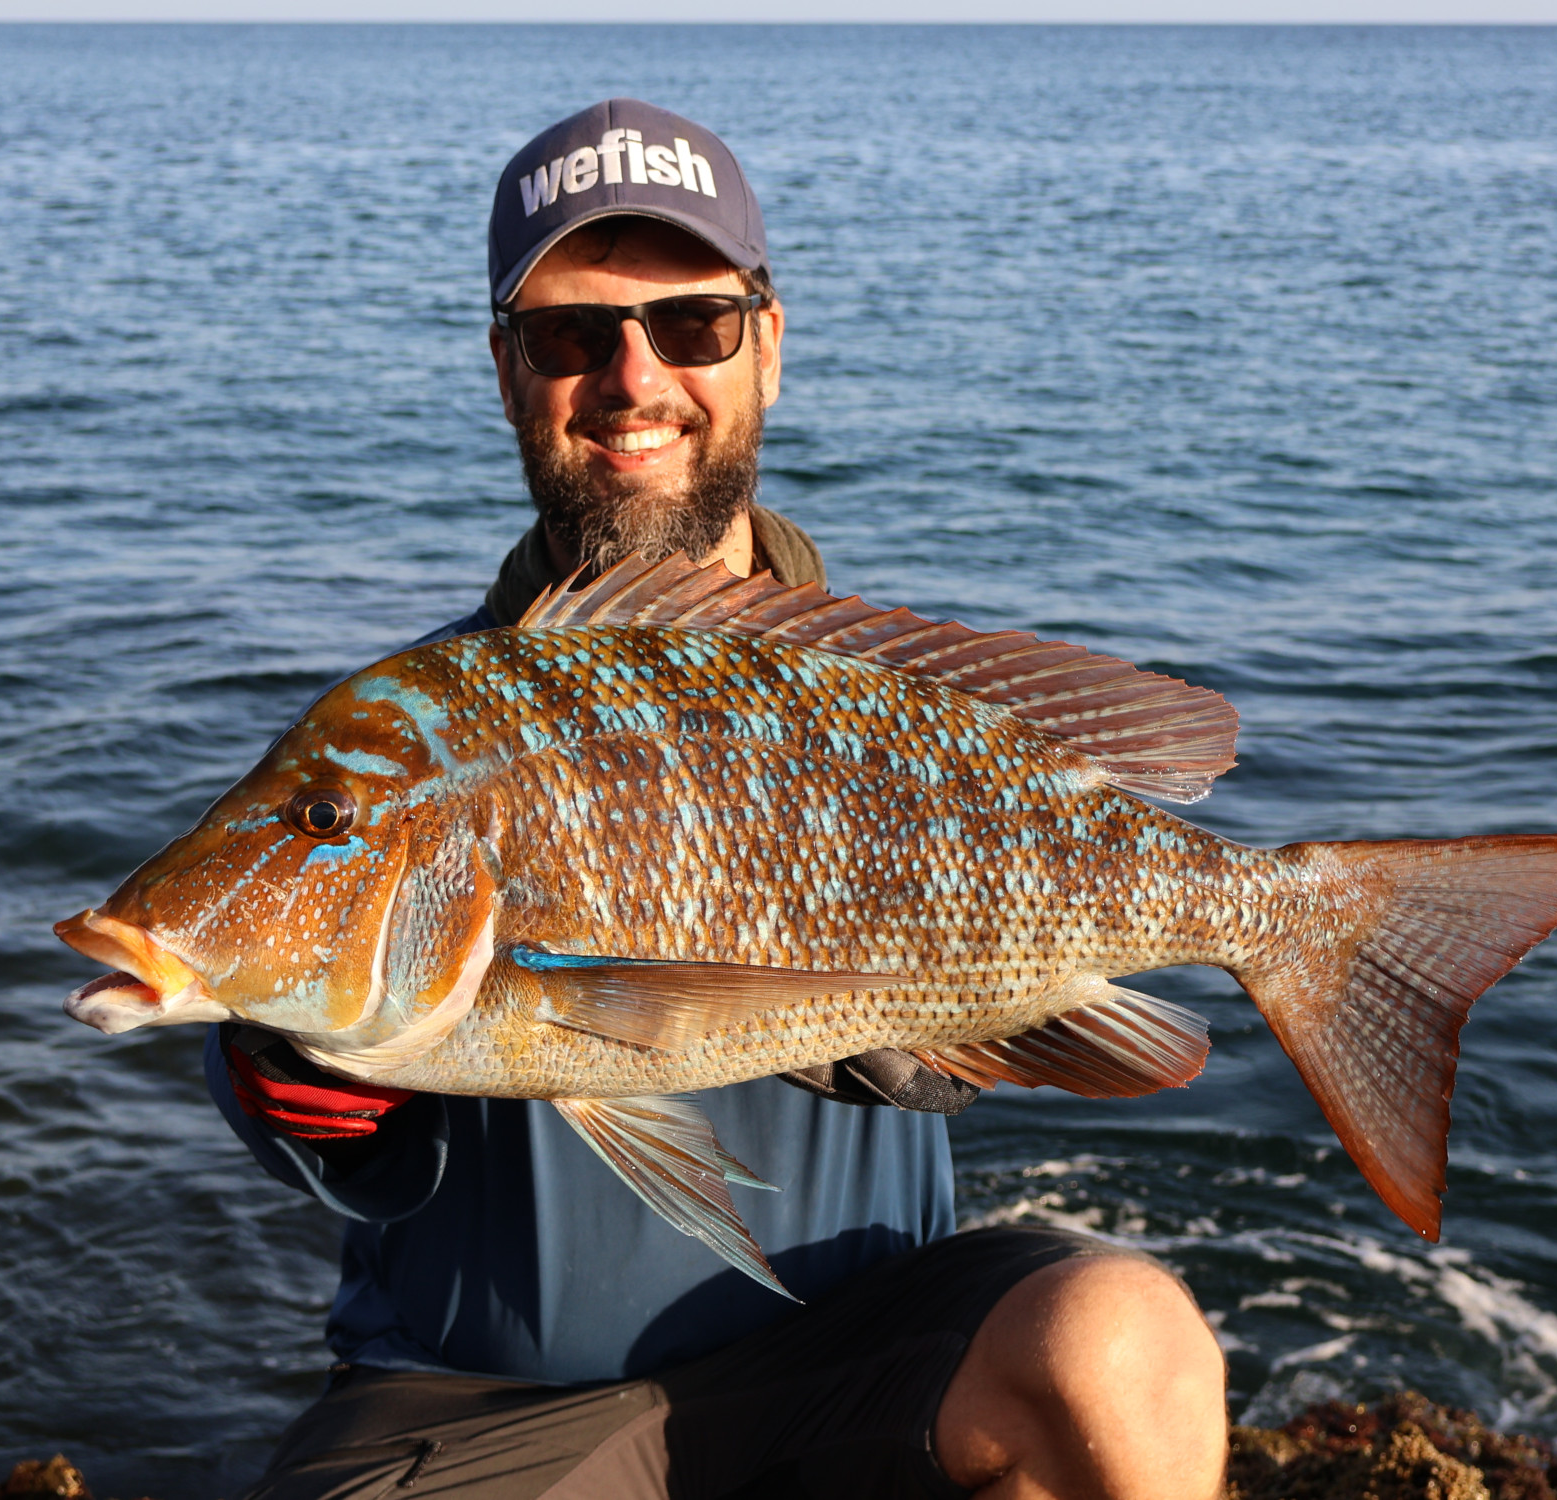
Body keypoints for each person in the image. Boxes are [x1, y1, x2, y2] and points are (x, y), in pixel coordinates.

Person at [205, 98, 1227, 1500]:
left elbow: (1054, 1040)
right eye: (573, 334)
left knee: (1124, 1344)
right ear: (507, 368)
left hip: (862, 1367)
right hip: (484, 1405)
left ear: (768, 346)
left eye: (691, 324)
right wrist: (290, 1070)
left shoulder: (905, 713)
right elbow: (282, 1031)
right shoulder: (404, 740)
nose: (633, 379)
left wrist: (978, 1025)